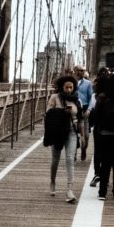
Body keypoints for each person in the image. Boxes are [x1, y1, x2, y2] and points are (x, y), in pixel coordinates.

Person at [43, 74, 85, 203]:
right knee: (55, 159)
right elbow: (48, 113)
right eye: (66, 87)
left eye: (71, 87)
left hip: (72, 131)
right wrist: (62, 112)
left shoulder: (77, 100)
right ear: (62, 87)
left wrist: (83, 136)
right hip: (58, 132)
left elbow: (80, 119)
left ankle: (70, 189)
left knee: (69, 159)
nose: (68, 90)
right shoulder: (55, 97)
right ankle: (52, 182)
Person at [91, 72, 114, 200]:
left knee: (105, 163)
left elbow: (96, 117)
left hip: (105, 134)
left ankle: (102, 193)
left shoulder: (102, 97)